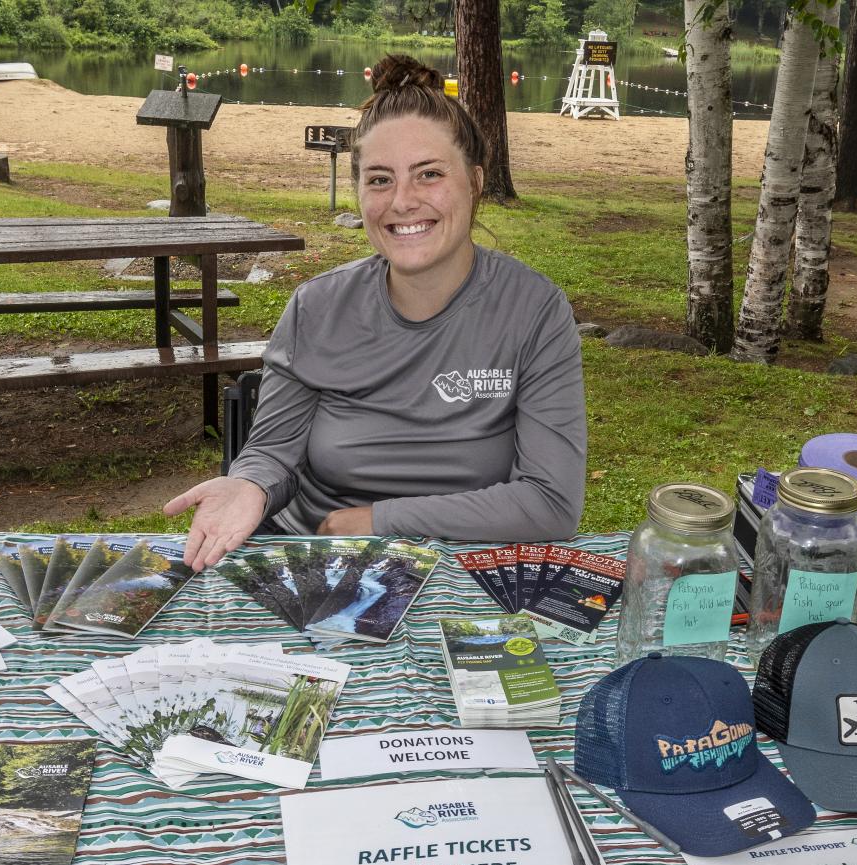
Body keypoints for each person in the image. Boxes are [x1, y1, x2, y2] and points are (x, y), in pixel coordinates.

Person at [165, 54, 586, 572]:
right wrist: (250, 483)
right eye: (380, 179)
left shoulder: (535, 311)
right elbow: (273, 452)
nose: (402, 202)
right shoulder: (318, 306)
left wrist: (381, 519)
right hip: (317, 556)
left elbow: (550, 503)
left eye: (429, 174)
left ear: (475, 182)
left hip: (466, 569)